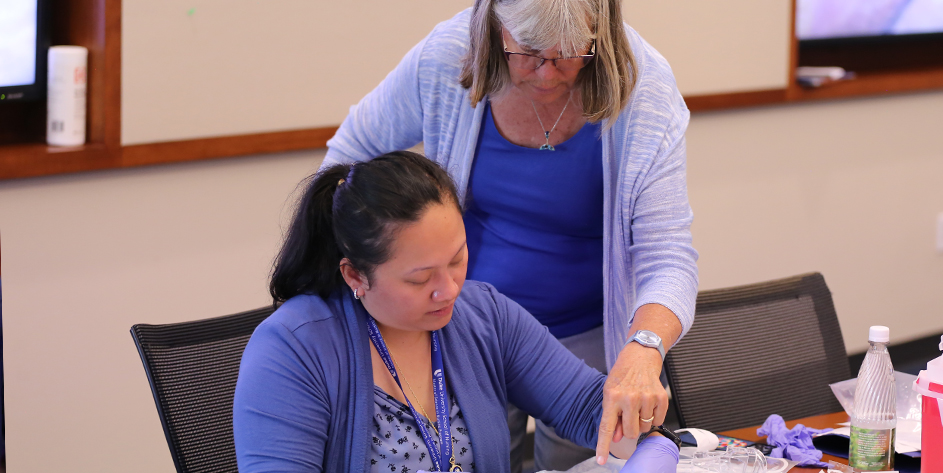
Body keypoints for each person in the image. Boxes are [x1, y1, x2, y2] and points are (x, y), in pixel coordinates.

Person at [322, 1, 698, 470]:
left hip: (581, 352)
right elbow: (346, 161)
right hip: (464, 337)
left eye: (569, 56)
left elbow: (669, 257)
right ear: (496, 28)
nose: (547, 74)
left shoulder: (644, 89)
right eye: (530, 53)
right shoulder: (447, 56)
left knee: (592, 458)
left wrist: (645, 348)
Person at [233, 152, 679, 473]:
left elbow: (584, 407)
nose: (448, 290)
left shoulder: (482, 315)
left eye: (458, 259)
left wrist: (641, 420)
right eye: (419, 278)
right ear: (355, 275)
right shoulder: (293, 350)